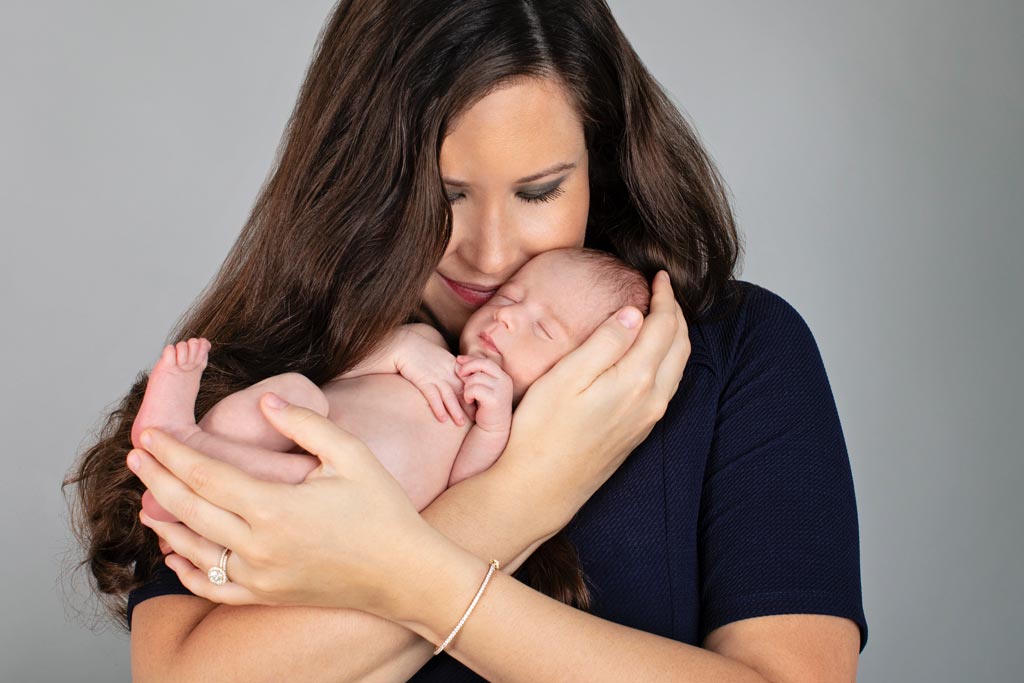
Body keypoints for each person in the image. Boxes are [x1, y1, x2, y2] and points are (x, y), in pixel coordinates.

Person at [64, 1, 868, 681]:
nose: (488, 254)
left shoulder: (737, 356)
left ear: (604, 160)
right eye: (442, 195)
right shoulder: (284, 379)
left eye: (539, 190)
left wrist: (400, 569)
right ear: (364, 182)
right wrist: (520, 495)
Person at [134, 247, 651, 521]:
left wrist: (492, 421)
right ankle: (182, 439)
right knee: (288, 394)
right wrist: (402, 352)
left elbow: (467, 493)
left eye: (543, 329)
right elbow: (340, 371)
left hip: (346, 505)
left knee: (312, 487)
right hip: (298, 430)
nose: (510, 320)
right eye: (510, 299)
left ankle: (179, 460)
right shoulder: (425, 338)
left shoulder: (509, 430)